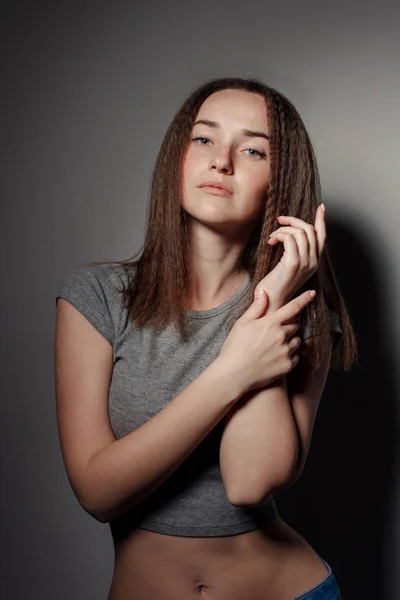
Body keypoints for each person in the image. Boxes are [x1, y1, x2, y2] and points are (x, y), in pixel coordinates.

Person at [54, 77, 357, 599]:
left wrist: (271, 298)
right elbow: (98, 492)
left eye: (254, 149)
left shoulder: (302, 313)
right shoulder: (97, 297)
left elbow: (248, 483)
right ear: (179, 158)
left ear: (281, 181)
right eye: (204, 139)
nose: (222, 161)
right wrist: (232, 371)